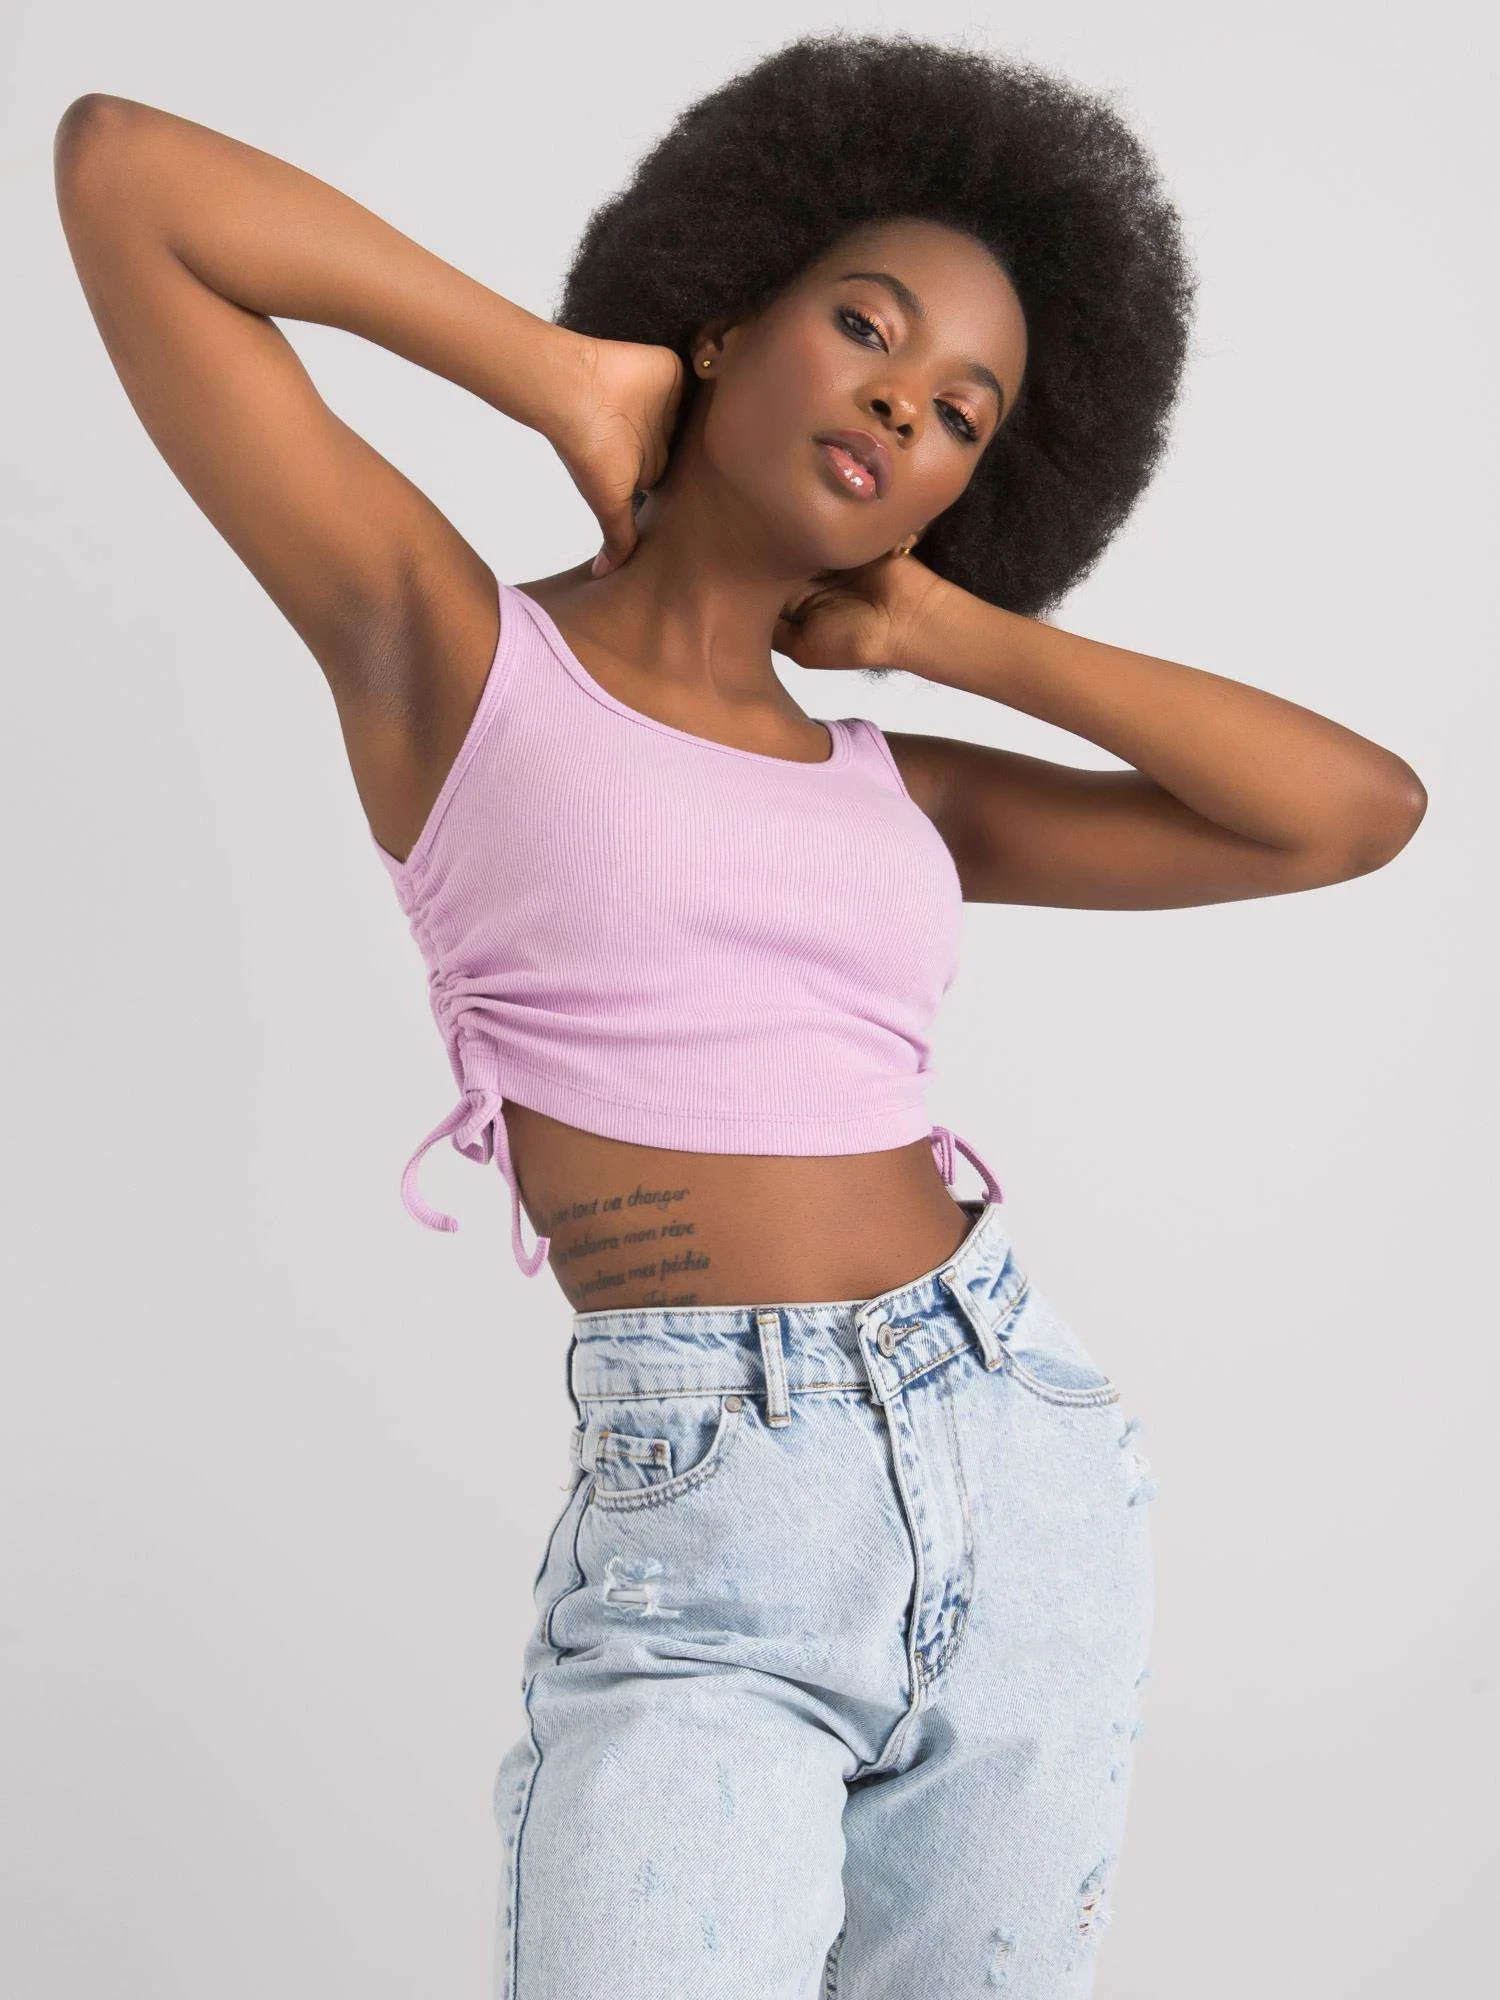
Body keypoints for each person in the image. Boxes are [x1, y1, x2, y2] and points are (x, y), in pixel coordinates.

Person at [54, 31, 1425, 1997]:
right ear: (723, 323)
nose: (904, 400)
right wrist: (555, 372)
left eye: (963, 414)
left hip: (1020, 1462)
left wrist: (954, 634)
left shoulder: (902, 787)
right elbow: (127, 173)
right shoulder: (453, 652)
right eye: (867, 326)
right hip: (710, 1510)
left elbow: (1353, 813)